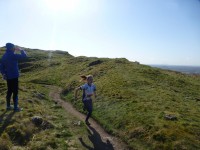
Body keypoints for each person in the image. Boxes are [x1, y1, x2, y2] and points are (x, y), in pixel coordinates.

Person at [0, 43, 27, 112]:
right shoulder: (13, 55)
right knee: (15, 92)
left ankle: (8, 106)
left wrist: (3, 74)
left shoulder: (4, 56)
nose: (14, 48)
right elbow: (24, 56)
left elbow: (1, 66)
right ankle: (15, 108)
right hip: (14, 76)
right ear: (11, 48)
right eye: (13, 47)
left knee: (9, 91)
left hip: (8, 77)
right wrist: (21, 50)